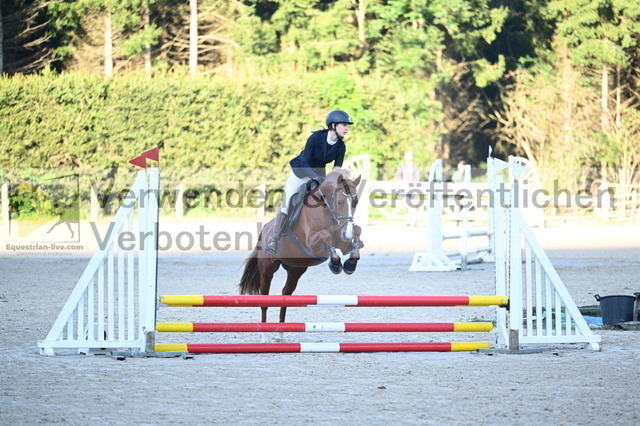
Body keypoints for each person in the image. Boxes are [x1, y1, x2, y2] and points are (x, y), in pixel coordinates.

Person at [265, 109, 354, 254]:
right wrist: (315, 177)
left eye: (347, 126)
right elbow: (305, 161)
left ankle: (337, 236)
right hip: (300, 172)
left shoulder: (341, 146)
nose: (347, 128)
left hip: (319, 175)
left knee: (330, 201)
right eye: (344, 125)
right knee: (287, 201)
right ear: (333, 125)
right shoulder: (315, 138)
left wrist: (341, 175)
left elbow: (336, 167)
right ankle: (274, 239)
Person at [396, 151, 421, 226]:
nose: (408, 158)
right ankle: (409, 220)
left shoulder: (415, 167)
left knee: (413, 203)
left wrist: (416, 186)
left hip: (413, 187)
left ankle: (413, 220)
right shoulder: (402, 166)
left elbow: (417, 177)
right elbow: (398, 175)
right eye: (407, 156)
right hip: (404, 187)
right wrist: (401, 182)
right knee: (406, 202)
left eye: (410, 157)